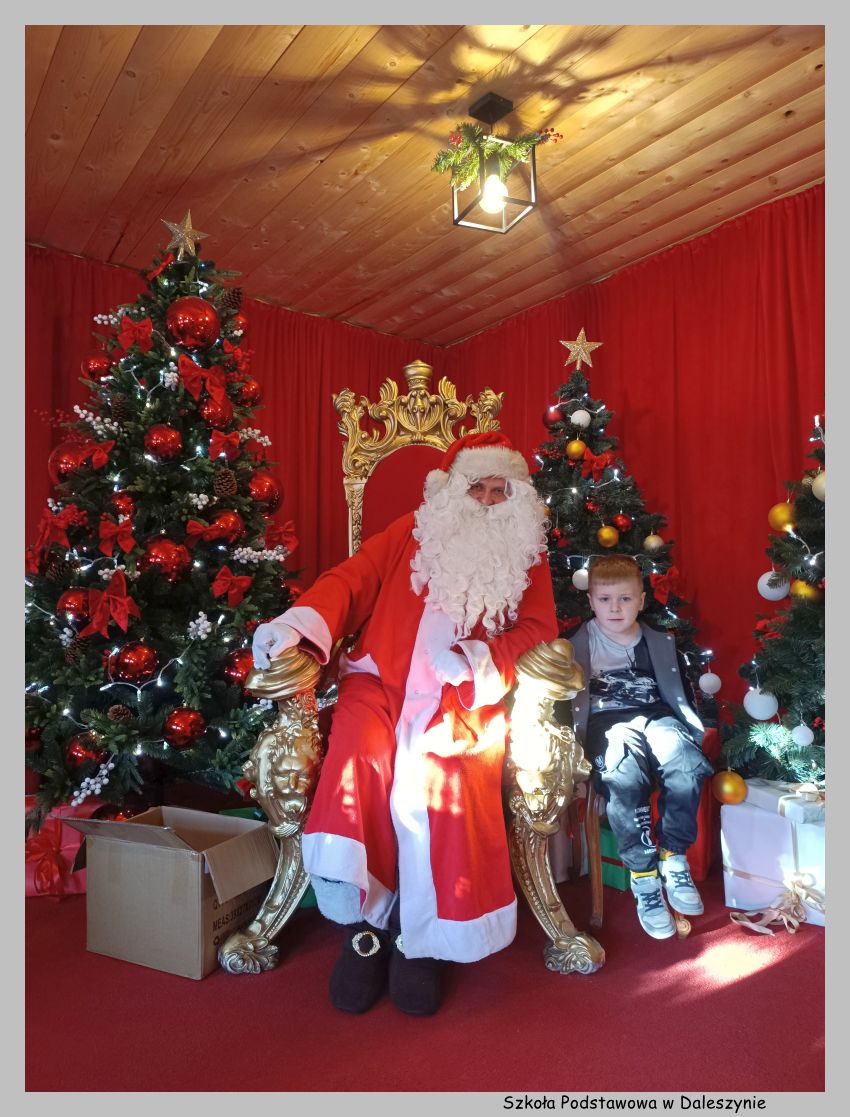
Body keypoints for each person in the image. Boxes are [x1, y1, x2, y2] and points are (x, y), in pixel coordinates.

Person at [251, 431, 557, 1015]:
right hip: (379, 686)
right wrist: (295, 626)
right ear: (452, 490)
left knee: (444, 782)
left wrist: (480, 662)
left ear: (516, 497)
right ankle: (364, 927)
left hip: (462, 700)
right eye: (477, 488)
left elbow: (539, 629)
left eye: (500, 491)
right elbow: (351, 580)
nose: (488, 501)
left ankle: (423, 940)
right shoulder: (410, 532)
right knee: (356, 761)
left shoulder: (527, 554)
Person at [567, 554, 713, 939]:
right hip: (607, 721)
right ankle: (644, 876)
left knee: (686, 762)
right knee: (623, 773)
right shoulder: (575, 645)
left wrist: (687, 726)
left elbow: (678, 693)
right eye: (605, 599)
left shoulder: (659, 642)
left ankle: (674, 855)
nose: (615, 608)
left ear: (642, 600)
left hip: (656, 715)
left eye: (625, 599)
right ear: (591, 601)